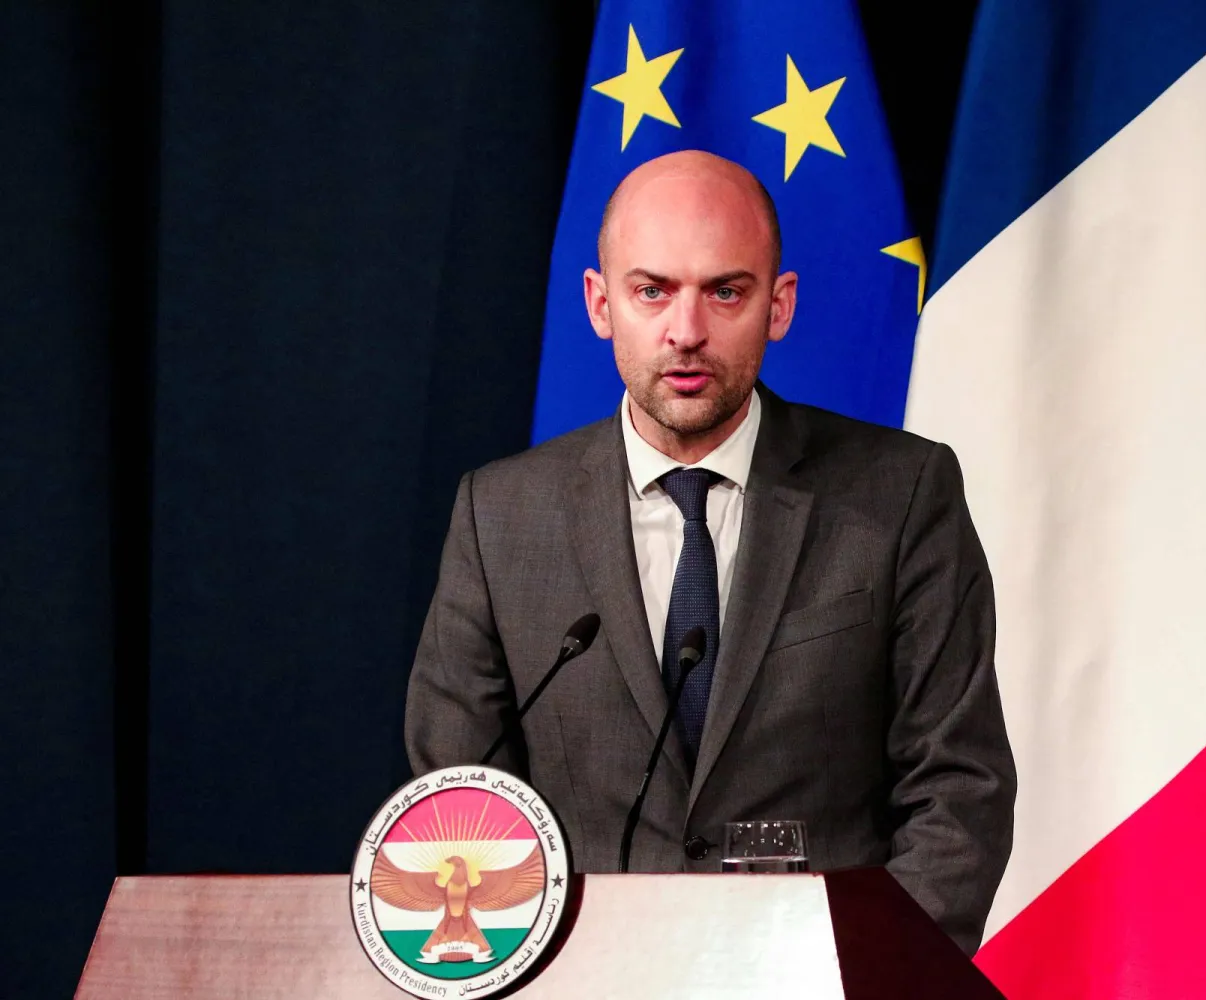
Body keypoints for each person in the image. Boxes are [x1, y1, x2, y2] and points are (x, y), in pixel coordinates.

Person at [405, 149, 1015, 953]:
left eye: (725, 291)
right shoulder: (501, 515)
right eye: (650, 290)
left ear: (779, 303)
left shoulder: (900, 495)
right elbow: (457, 807)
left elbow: (958, 789)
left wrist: (867, 980)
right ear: (599, 303)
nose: (685, 332)